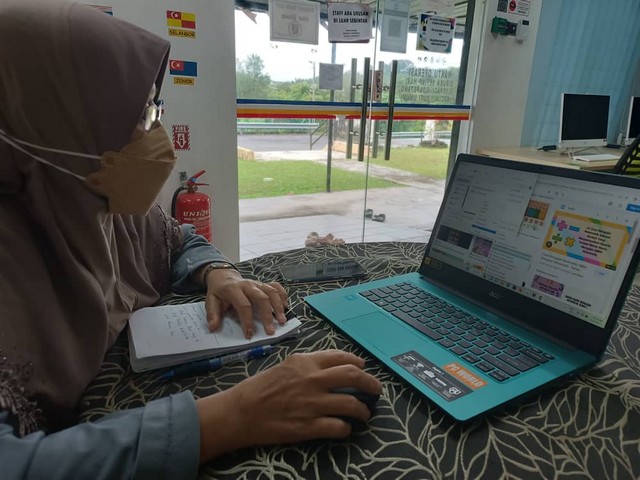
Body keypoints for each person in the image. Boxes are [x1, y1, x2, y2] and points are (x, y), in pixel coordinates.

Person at [0, 1, 382, 478]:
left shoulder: (101, 206)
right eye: (140, 119)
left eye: (154, 110)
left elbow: (179, 240)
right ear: (52, 126)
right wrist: (235, 415)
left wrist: (218, 273)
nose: (158, 138)